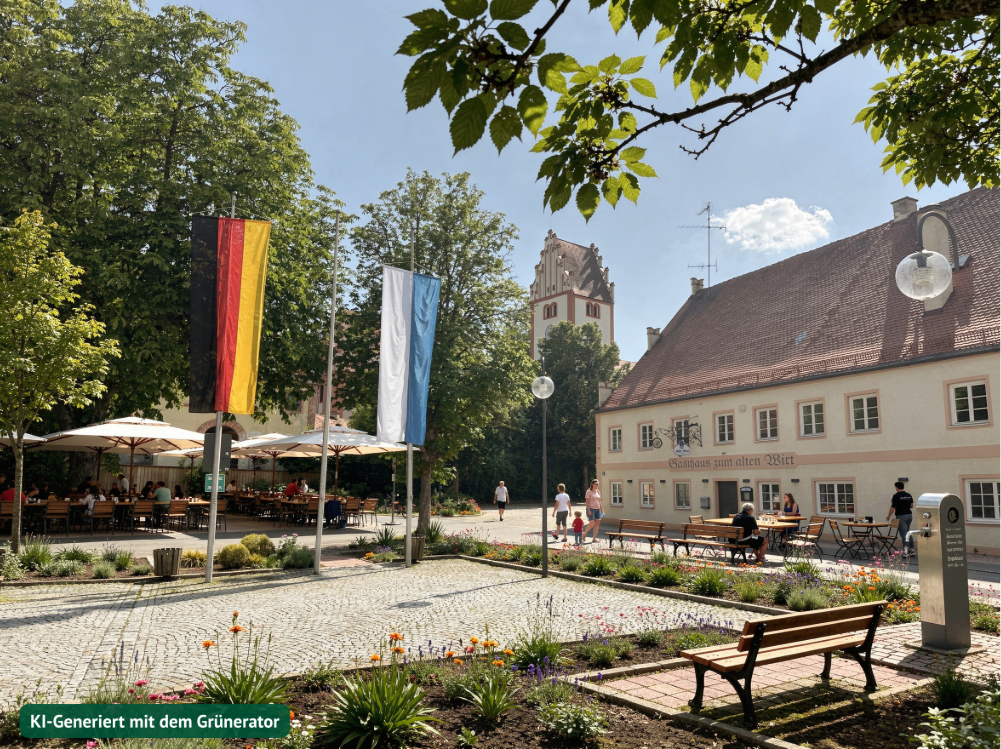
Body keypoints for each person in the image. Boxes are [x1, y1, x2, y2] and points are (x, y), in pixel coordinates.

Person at [886, 481, 915, 557]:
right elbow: (911, 506)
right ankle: (912, 550)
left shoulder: (896, 496)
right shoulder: (908, 495)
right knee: (908, 533)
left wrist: (889, 515)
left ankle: (905, 552)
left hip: (901, 516)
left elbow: (893, 507)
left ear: (897, 487)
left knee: (904, 534)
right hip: (909, 515)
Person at [583, 479, 603, 543]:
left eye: (598, 484)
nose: (597, 486)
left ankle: (594, 538)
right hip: (591, 508)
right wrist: (588, 510)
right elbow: (587, 502)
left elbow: (599, 501)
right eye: (596, 484)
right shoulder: (589, 491)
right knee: (591, 523)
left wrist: (602, 510)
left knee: (597, 524)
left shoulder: (598, 492)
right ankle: (585, 533)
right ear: (592, 484)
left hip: (598, 509)